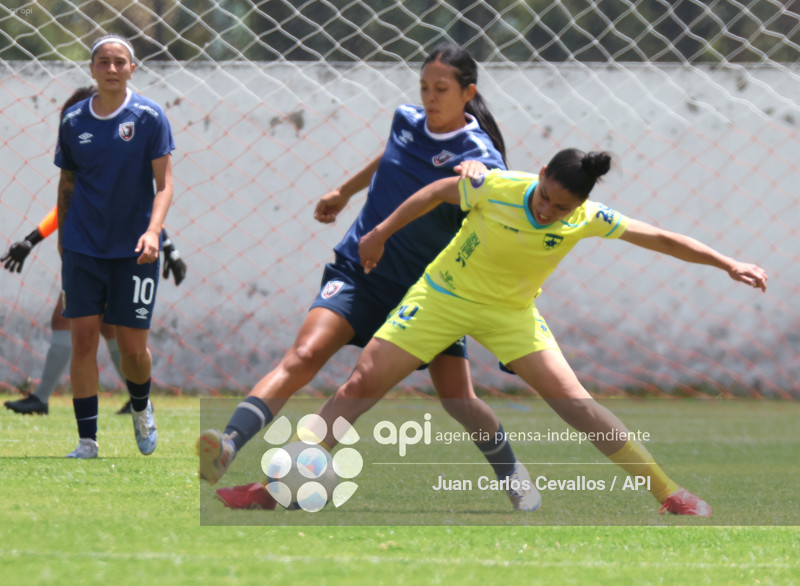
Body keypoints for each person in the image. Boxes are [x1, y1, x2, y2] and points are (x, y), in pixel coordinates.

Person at [305, 147, 768, 516]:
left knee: (579, 407)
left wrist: (728, 263)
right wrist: (380, 233)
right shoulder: (498, 186)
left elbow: (660, 238)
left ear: (581, 206)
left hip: (512, 314)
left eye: (561, 207)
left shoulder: (588, 217)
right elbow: (435, 193)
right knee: (362, 384)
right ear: (541, 172)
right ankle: (286, 479)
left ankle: (669, 494)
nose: (547, 209)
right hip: (441, 298)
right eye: (545, 195)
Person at [198, 43, 541, 512]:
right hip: (360, 271)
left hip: (429, 297)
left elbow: (501, 213)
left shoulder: (479, 156)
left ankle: (513, 474)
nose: (429, 97)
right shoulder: (405, 120)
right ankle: (231, 445)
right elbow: (390, 156)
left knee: (458, 400)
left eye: (441, 89)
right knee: (303, 355)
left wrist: (481, 175)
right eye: (424, 87)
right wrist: (344, 191)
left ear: (468, 93)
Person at [55, 34, 175, 459]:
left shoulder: (149, 116)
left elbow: (165, 185)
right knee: (82, 342)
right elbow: (67, 183)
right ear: (91, 69)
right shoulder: (72, 121)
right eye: (103, 62)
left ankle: (141, 407)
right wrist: (63, 242)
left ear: (131, 69)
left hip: (134, 251)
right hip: (83, 247)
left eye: (119, 62)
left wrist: (154, 232)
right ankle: (87, 441)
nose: (110, 69)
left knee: (133, 350)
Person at [2, 203, 187, 416]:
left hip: (106, 258)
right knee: (107, 328)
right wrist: (170, 249)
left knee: (65, 320)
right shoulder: (100, 178)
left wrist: (31, 240)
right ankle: (138, 401)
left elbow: (139, 207)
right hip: (98, 254)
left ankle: (42, 399)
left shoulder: (99, 176)